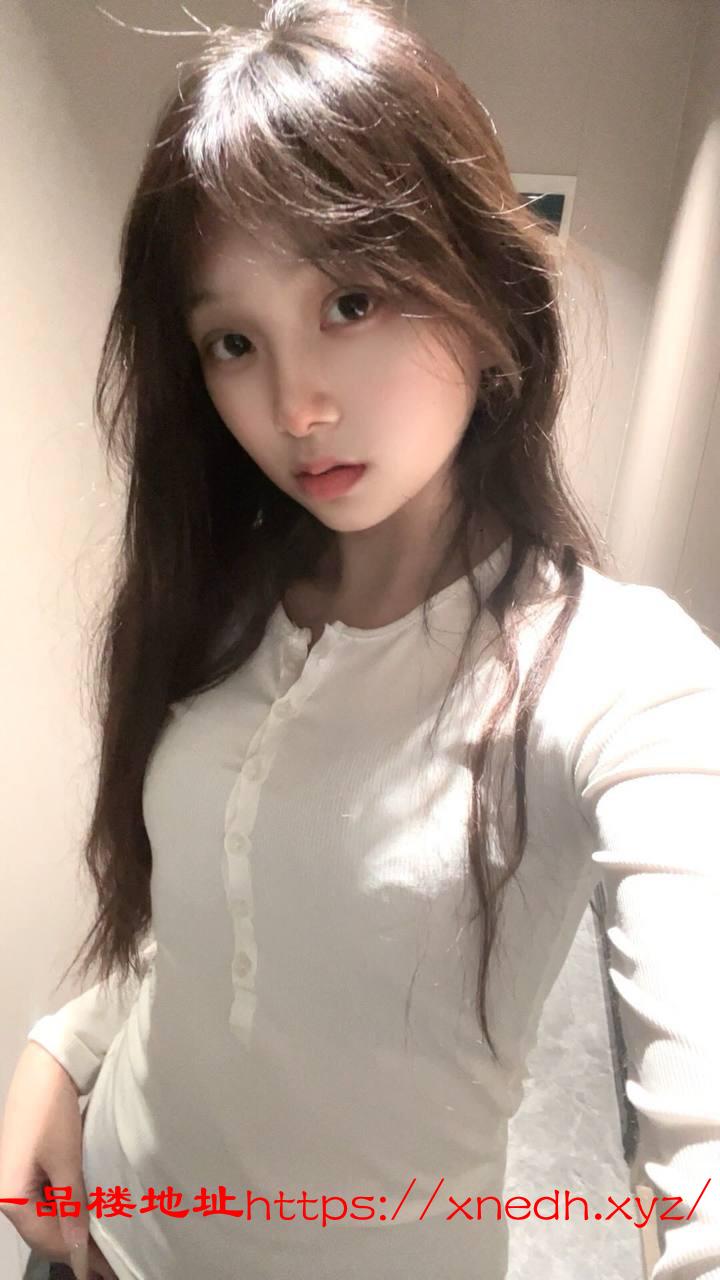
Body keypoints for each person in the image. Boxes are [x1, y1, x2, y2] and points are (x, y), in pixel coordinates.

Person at [1, 1, 719, 1277]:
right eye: (234, 341)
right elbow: (209, 892)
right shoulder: (225, 599)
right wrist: (64, 1043)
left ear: (485, 296)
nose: (295, 405)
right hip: (103, 1227)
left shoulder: (615, 677)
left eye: (351, 297)